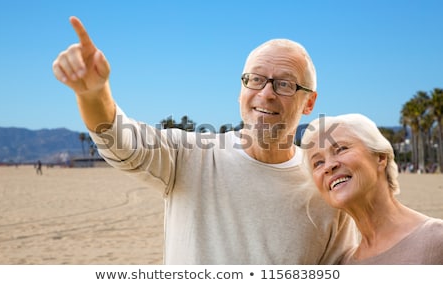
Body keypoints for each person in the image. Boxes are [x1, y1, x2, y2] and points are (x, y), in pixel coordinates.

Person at [52, 16, 357, 264]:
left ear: (309, 103)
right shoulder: (191, 156)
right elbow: (120, 140)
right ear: (241, 88)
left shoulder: (328, 191)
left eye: (285, 84)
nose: (266, 93)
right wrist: (93, 94)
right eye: (256, 79)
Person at [301, 113, 443, 264]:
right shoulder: (344, 265)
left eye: (341, 149)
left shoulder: (436, 239)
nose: (328, 166)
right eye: (318, 163)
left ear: (380, 157)